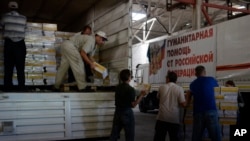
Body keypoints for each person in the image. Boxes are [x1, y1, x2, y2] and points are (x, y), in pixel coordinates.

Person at [110, 69, 147, 141]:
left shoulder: (117, 88)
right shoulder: (130, 89)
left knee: (114, 135)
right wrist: (142, 95)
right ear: (129, 77)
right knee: (129, 136)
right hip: (127, 113)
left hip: (117, 112)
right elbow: (133, 105)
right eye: (130, 76)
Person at [0, 1, 27, 92]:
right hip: (20, 44)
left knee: (8, 67)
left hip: (9, 44)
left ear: (9, 8)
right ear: (17, 8)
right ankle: (21, 87)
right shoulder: (24, 18)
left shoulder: (5, 17)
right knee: (20, 67)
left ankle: (7, 87)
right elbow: (25, 29)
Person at [189, 65, 221, 141]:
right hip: (211, 111)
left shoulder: (192, 84)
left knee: (196, 137)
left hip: (198, 113)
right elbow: (217, 89)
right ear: (205, 72)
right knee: (215, 137)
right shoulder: (211, 80)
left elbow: (191, 95)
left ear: (195, 74)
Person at [153, 71, 186, 141]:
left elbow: (158, 97)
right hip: (173, 119)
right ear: (176, 80)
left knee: (159, 138)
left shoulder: (161, 87)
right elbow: (183, 104)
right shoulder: (179, 89)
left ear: (168, 79)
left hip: (161, 118)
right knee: (174, 138)